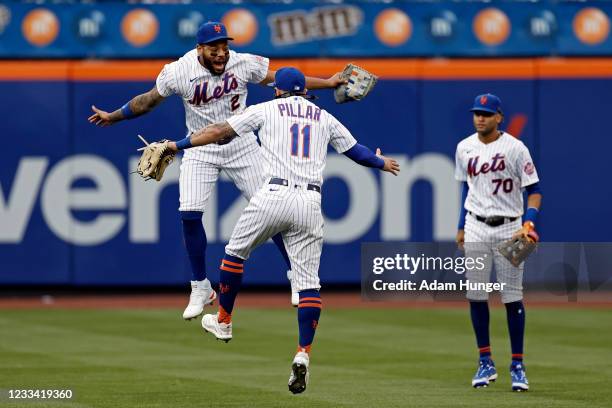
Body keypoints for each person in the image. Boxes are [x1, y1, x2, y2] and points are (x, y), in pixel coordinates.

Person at [164, 67, 399, 394]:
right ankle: (304, 353)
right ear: (303, 90)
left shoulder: (264, 108)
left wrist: (177, 145)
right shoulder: (322, 115)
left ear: (278, 90)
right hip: (310, 202)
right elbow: (355, 151)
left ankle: (223, 321)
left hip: (273, 195)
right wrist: (381, 163)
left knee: (234, 255)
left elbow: (219, 131)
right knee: (308, 284)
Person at [88, 22, 346, 316]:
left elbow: (282, 81)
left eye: (224, 46)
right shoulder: (178, 71)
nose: (221, 53)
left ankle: (297, 278)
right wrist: (114, 116)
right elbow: (147, 101)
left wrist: (328, 82)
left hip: (243, 145)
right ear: (200, 48)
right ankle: (200, 286)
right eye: (214, 48)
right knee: (189, 214)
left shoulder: (242, 62)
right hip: (200, 146)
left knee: (274, 209)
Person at [455, 93, 542, 391]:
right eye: (477, 113)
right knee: (476, 295)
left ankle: (517, 364)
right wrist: (460, 225)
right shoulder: (464, 147)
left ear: (498, 117)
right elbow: (467, 189)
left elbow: (535, 190)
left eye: (486, 114)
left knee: (512, 297)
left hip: (510, 227)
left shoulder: (516, 148)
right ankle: (485, 361)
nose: (480, 117)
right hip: (475, 224)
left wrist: (529, 221)